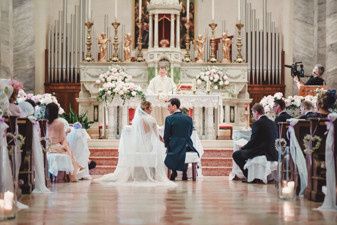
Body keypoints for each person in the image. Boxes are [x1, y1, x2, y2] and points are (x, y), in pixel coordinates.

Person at [95, 101, 175, 186]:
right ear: (146, 109)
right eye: (150, 107)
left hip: (137, 146)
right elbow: (157, 136)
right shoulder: (151, 120)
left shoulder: (137, 120)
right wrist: (165, 142)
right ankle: (149, 176)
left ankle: (134, 176)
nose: (152, 109)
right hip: (148, 147)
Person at [232, 103, 278, 178]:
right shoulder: (272, 123)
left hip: (263, 151)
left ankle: (249, 175)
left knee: (236, 155)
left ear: (256, 112)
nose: (252, 115)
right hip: (273, 152)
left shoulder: (257, 123)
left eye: (253, 113)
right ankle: (254, 174)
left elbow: (253, 141)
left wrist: (243, 148)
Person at [46, 102, 82, 182]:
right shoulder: (60, 123)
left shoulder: (45, 122)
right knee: (68, 151)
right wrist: (65, 145)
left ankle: (76, 167)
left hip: (45, 146)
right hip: (54, 146)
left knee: (67, 150)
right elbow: (62, 138)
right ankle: (72, 173)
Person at [164, 98, 198, 181]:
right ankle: (184, 173)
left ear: (174, 106)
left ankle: (174, 172)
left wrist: (167, 145)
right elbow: (189, 133)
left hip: (174, 145)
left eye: (169, 106)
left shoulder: (169, 118)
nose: (167, 108)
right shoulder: (189, 118)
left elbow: (167, 135)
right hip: (187, 145)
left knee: (172, 149)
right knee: (183, 148)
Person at [147, 59, 176, 125]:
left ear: (166, 72)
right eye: (161, 71)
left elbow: (174, 89)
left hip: (166, 101)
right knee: (156, 118)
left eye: (163, 71)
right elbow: (149, 90)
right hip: (156, 101)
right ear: (158, 71)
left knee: (166, 118)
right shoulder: (154, 80)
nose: (162, 72)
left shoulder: (170, 80)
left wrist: (167, 95)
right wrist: (156, 95)